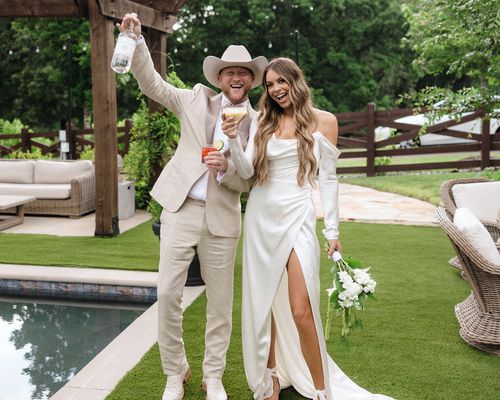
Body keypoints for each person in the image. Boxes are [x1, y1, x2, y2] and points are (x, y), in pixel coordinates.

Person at [222, 58, 394, 400]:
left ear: (295, 81)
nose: (275, 90)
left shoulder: (324, 121)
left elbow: (328, 180)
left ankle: (321, 390)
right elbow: (246, 173)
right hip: (260, 215)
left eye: (280, 82)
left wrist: (332, 232)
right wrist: (235, 144)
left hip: (298, 215)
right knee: (264, 304)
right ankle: (269, 377)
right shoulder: (262, 122)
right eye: (269, 85)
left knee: (301, 309)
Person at [117, 14, 268, 400]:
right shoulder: (193, 99)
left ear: (251, 80)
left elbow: (248, 181)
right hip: (180, 210)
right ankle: (175, 371)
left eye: (244, 73)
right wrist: (135, 40)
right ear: (220, 78)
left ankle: (212, 377)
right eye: (229, 72)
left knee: (220, 304)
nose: (236, 78)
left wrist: (227, 170)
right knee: (168, 295)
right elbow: (152, 83)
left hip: (223, 220)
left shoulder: (258, 122)